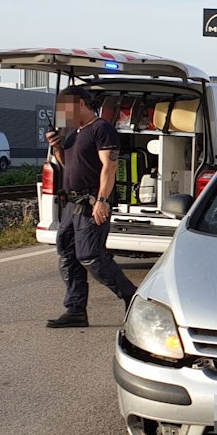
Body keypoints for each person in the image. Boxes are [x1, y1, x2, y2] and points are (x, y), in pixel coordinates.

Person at [45, 85, 138, 328]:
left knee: (90, 256)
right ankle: (75, 310)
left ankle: (131, 296)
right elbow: (67, 164)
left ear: (82, 104)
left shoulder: (102, 129)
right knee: (67, 254)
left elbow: (110, 167)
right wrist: (57, 147)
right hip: (72, 203)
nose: (63, 113)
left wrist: (102, 200)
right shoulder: (73, 132)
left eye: (66, 107)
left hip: (91, 202)